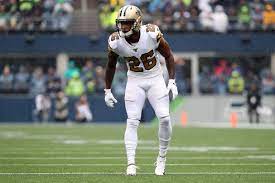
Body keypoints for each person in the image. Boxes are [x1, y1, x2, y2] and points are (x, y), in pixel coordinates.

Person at [104, 5, 178, 176]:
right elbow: (110, 65)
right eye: (121, 23)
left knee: (165, 119)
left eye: (127, 23)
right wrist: (107, 89)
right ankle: (131, 163)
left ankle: (161, 158)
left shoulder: (151, 33)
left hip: (155, 79)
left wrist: (172, 80)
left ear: (137, 23)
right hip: (134, 81)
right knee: (132, 121)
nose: (122, 27)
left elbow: (168, 55)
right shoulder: (116, 41)